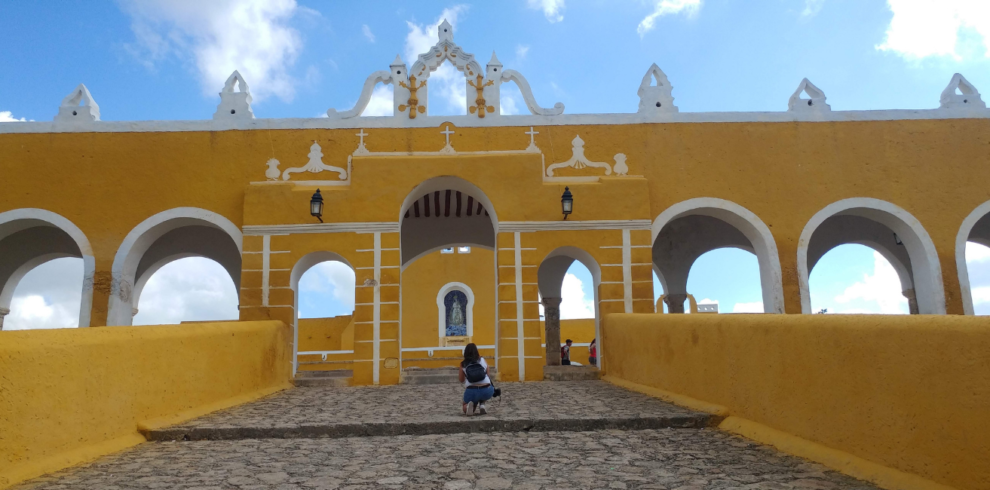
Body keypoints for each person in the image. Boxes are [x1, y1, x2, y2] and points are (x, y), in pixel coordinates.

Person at [458, 343, 494, 415]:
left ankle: (469, 406)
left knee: (465, 404)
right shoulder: (482, 360)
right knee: (485, 391)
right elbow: (488, 375)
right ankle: (482, 404)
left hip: (471, 390)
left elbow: (461, 380)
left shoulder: (463, 364)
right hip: (486, 390)